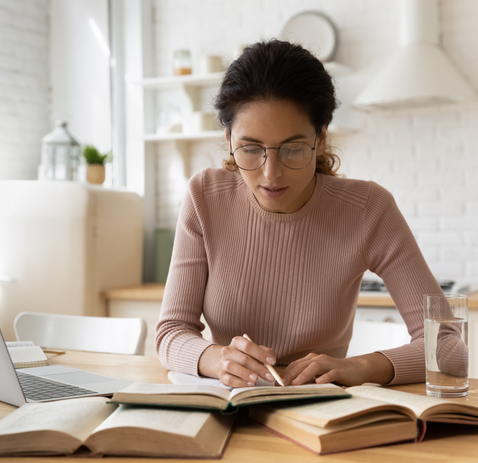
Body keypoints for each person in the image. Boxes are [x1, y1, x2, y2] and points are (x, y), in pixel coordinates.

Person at [155, 39, 442, 388]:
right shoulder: (205, 197)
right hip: (229, 409)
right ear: (228, 138)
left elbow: (449, 345)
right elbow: (170, 333)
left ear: (320, 139)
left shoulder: (368, 209)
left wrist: (360, 368)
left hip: (322, 415)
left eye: (292, 149)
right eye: (250, 148)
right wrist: (216, 359)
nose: (271, 173)